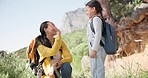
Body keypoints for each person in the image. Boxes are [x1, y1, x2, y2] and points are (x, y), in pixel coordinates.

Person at [85, 0, 107, 78]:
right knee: (94, 69)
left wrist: (94, 49)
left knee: (99, 70)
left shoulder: (96, 19)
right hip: (96, 48)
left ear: (93, 9)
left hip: (98, 49)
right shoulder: (93, 20)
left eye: (87, 10)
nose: (86, 12)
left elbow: (98, 34)